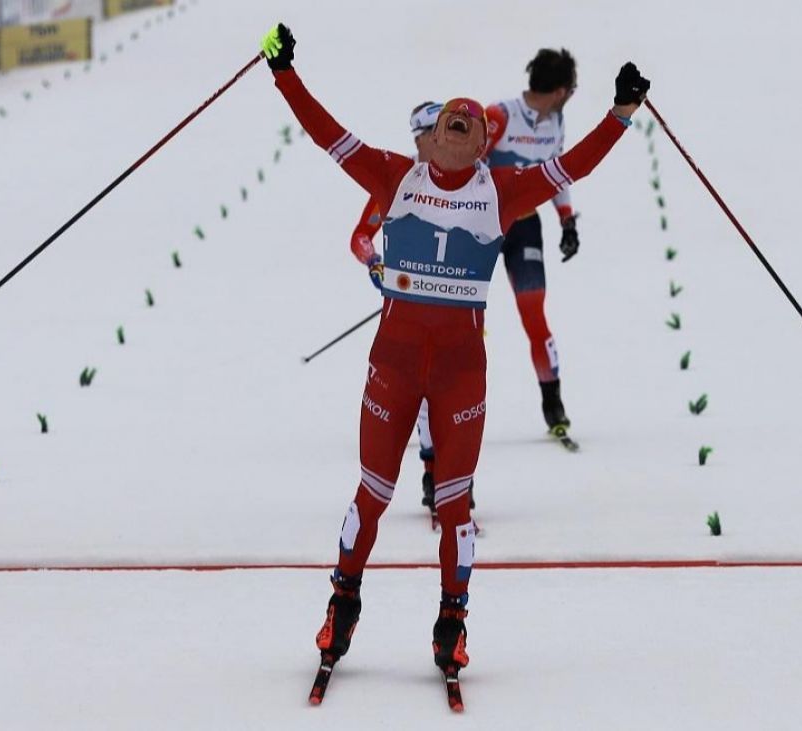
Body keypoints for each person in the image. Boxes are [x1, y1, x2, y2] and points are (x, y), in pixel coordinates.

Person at [260, 23, 649, 680]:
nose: (457, 125)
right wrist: (283, 72)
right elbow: (326, 133)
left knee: (455, 503)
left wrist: (620, 114)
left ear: (484, 145)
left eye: (469, 123)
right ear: (432, 135)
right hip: (394, 367)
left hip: (460, 376)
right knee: (372, 493)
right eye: (448, 120)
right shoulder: (392, 174)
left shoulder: (503, 192)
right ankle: (343, 604)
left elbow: (572, 165)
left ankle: (451, 621)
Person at [349, 101, 476, 516]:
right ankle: (431, 472)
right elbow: (360, 237)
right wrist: (374, 262)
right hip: (406, 302)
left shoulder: (470, 178)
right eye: (424, 137)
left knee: (451, 391)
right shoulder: (399, 179)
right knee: (420, 394)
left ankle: (452, 479)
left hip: (455, 308)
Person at [484, 48, 581, 434]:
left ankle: (552, 402)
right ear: (559, 89)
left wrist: (567, 221)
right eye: (572, 88)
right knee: (459, 315)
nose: (573, 94)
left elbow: (557, 174)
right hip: (484, 226)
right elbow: (468, 164)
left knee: (534, 313)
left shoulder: (556, 123)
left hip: (525, 225)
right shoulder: (499, 115)